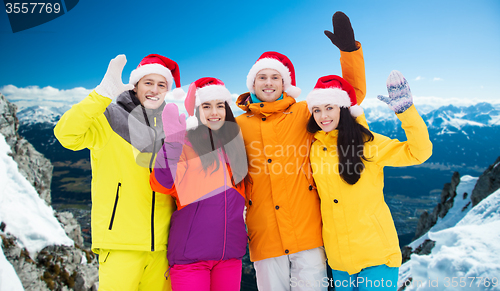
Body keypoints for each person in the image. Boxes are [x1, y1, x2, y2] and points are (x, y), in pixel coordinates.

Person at [235, 11, 366, 291]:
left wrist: (349, 52)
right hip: (265, 233)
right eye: (262, 77)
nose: (268, 82)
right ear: (252, 84)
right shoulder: (237, 125)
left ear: (285, 84)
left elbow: (348, 96)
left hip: (309, 231)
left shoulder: (305, 111)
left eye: (275, 77)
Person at [54, 54, 184, 291]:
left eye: (161, 84)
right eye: (148, 82)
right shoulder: (109, 117)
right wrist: (102, 94)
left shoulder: (173, 125)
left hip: (164, 248)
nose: (154, 89)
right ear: (135, 85)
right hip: (120, 243)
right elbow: (66, 135)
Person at [305, 71, 433, 290]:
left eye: (329, 108)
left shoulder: (367, 143)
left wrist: (406, 113)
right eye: (317, 110)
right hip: (339, 261)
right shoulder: (314, 148)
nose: (323, 116)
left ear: (343, 109)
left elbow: (419, 153)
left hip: (376, 255)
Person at [150, 77, 248, 291]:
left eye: (219, 105)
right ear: (195, 110)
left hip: (229, 255)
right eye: (206, 106)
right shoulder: (184, 144)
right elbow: (161, 183)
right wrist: (172, 145)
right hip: (191, 257)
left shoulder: (235, 146)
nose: (214, 112)